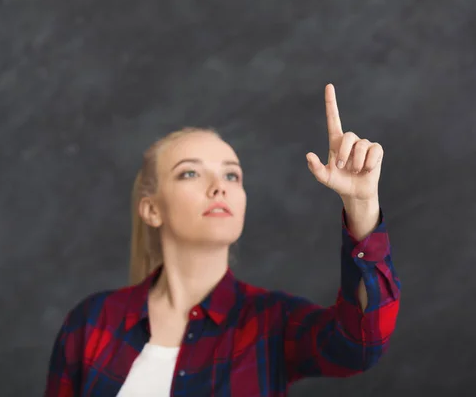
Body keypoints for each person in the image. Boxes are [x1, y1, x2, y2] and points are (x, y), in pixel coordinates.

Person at [44, 84, 401, 397]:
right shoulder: (91, 323)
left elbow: (361, 344)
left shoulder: (271, 323)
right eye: (190, 173)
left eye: (232, 174)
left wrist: (361, 204)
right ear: (152, 210)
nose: (220, 186)